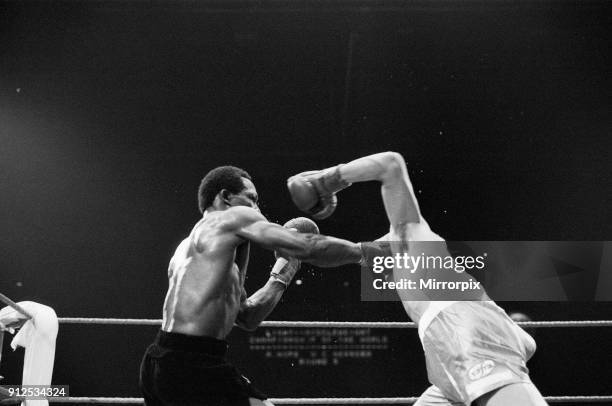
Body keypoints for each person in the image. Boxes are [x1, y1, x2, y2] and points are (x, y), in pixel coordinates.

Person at [287, 152, 547, 406]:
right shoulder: (394, 253)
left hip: (461, 327)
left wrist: (324, 182)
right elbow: (341, 252)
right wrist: (293, 249)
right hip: (445, 351)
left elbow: (390, 164)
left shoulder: (410, 233)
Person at [139, 165, 384, 406]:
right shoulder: (232, 217)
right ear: (226, 197)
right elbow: (308, 246)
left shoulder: (189, 251)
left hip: (160, 364)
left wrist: (283, 272)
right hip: (192, 365)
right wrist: (367, 253)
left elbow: (247, 316)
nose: (257, 209)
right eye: (251, 199)